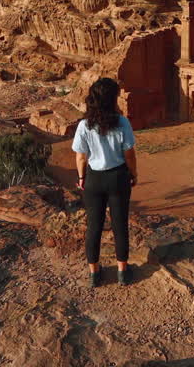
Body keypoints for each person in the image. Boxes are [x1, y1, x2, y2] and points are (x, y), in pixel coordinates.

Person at [71, 77, 138, 287]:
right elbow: (129, 154)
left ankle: (94, 273)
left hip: (94, 179)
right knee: (120, 226)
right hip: (118, 177)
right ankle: (122, 272)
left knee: (94, 227)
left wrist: (82, 178)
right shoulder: (122, 122)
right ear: (112, 100)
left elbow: (81, 157)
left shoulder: (84, 125)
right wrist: (133, 174)